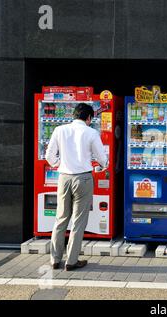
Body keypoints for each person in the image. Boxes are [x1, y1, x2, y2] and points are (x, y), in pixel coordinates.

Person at [46, 103, 108, 271]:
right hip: (83, 179)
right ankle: (71, 261)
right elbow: (103, 159)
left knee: (61, 219)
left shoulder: (60, 130)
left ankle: (54, 259)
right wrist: (101, 166)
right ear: (88, 118)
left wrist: (61, 164)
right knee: (78, 221)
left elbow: (49, 156)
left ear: (74, 115)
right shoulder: (91, 132)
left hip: (64, 177)